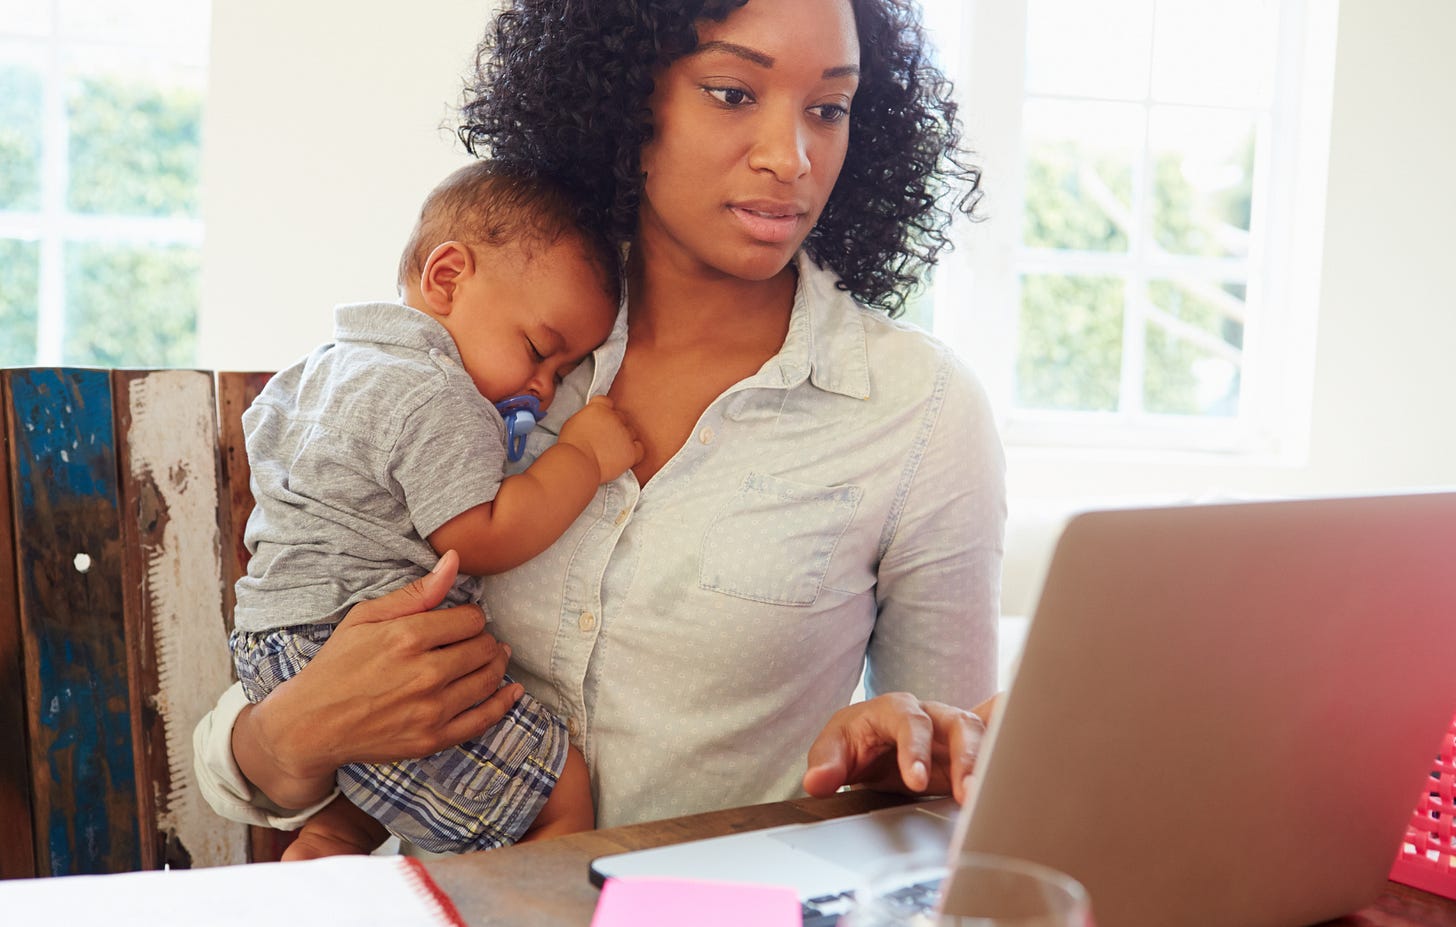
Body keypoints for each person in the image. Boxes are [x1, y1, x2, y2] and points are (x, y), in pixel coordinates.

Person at [193, 0, 1006, 846]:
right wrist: (290, 737)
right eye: (733, 93)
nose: (790, 156)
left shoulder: (920, 411)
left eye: (829, 108)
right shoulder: (495, 333)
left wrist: (887, 766)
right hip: (430, 893)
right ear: (627, 97)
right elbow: (258, 720)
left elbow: (947, 793)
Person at [226, 161, 642, 858]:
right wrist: (582, 457)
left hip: (277, 640)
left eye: (564, 373)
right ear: (447, 277)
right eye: (540, 351)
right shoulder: (438, 393)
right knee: (561, 791)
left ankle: (330, 839)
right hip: (348, 641)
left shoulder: (324, 366)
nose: (543, 388)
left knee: (391, 778)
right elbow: (481, 536)